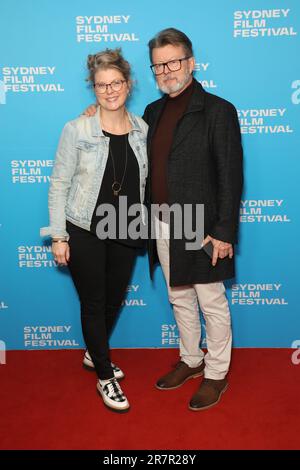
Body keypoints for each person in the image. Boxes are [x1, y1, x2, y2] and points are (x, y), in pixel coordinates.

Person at [84, 28, 243, 411]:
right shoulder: (152, 112)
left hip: (199, 222)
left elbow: (231, 174)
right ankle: (191, 359)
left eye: (173, 61)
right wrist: (95, 112)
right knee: (179, 296)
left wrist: (223, 230)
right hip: (162, 220)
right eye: (158, 65)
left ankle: (217, 372)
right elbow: (119, 130)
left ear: (190, 62)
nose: (166, 71)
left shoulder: (218, 110)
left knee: (210, 299)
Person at [40, 48, 148, 413]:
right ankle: (105, 374)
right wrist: (59, 235)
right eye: (102, 85)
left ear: (128, 84)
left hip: (127, 224)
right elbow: (59, 184)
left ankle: (93, 354)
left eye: (116, 82)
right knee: (94, 301)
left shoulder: (142, 129)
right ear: (94, 88)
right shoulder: (77, 128)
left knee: (114, 299)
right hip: (84, 226)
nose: (110, 90)